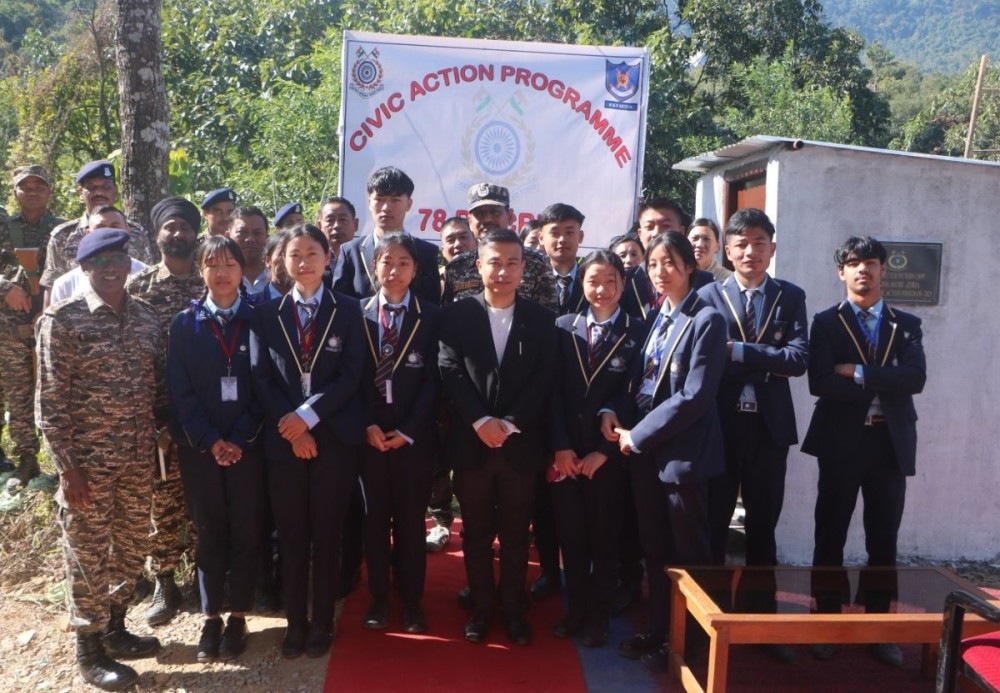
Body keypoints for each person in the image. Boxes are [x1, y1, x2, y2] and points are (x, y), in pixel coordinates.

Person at [35, 228, 163, 691]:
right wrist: (67, 468)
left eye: (119, 260)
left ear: (130, 266)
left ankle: (115, 626)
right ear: (84, 269)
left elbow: (158, 389)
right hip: (86, 468)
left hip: (135, 461)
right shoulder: (63, 321)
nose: (111, 268)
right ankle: (88, 647)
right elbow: (49, 404)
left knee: (129, 546)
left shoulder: (147, 318)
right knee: (88, 554)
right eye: (100, 261)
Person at [802, 235, 926, 667]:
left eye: (871, 263)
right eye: (854, 263)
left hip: (889, 442)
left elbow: (915, 379)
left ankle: (878, 626)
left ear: (882, 270)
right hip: (841, 442)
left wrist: (856, 371)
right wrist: (881, 378)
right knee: (830, 532)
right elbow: (819, 382)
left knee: (883, 537)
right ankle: (826, 622)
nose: (863, 270)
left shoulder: (905, 324)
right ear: (842, 272)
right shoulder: (825, 322)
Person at [605, 231, 727, 673]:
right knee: (655, 550)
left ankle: (692, 645)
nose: (661, 272)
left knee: (689, 556)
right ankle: (660, 630)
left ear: (690, 267)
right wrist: (611, 412)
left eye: (670, 263)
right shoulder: (657, 315)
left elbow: (694, 397)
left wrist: (638, 435)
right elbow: (639, 382)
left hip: (681, 458)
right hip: (645, 455)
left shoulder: (706, 319)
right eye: (654, 264)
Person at [250, 224, 365, 659]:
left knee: (327, 534)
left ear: (328, 258)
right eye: (294, 254)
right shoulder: (266, 313)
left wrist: (308, 417)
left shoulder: (350, 310)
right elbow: (261, 377)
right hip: (284, 443)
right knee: (293, 536)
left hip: (333, 439)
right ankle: (294, 624)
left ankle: (322, 624)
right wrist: (292, 426)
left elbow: (351, 375)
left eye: (312, 254)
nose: (304, 262)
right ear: (282, 261)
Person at [698, 208, 808, 663]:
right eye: (741, 243)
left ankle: (762, 624)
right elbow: (705, 360)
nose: (750, 251)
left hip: (769, 427)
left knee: (763, 528)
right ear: (728, 250)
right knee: (714, 527)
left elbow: (798, 359)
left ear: (772, 248)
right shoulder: (707, 295)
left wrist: (740, 350)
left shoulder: (790, 295)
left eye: (759, 243)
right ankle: (711, 623)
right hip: (719, 427)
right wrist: (768, 359)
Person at [439, 228, 556, 646]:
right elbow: (449, 369)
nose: (503, 271)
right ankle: (483, 607)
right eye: (495, 261)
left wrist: (506, 422)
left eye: (512, 263)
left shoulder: (541, 319)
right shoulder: (457, 314)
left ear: (524, 267)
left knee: (514, 535)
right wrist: (479, 421)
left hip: (519, 447)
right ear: (479, 265)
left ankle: (512, 607)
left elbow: (544, 378)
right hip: (471, 446)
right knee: (474, 532)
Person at [168, 235, 264, 662]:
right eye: (212, 264)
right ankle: (210, 617)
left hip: (248, 446)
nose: (221, 273)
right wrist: (211, 441)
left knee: (246, 530)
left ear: (242, 269)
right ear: (200, 270)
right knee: (209, 532)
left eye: (230, 264)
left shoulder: (261, 319)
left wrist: (239, 439)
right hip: (201, 448)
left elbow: (267, 387)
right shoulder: (183, 324)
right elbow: (180, 392)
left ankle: (239, 615)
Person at [549, 250, 644, 648]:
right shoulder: (562, 327)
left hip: (609, 455)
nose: (601, 290)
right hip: (567, 456)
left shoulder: (641, 331)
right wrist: (561, 448)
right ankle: (576, 610)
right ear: (581, 284)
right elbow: (550, 393)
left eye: (610, 281)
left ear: (623, 284)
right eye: (593, 281)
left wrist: (604, 452)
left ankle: (599, 616)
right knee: (571, 538)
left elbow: (639, 394)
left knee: (605, 540)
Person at [125, 196, 206, 627]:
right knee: (164, 500)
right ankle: (165, 581)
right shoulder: (138, 289)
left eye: (184, 227)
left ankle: (207, 576)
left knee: (207, 497)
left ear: (197, 234)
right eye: (169, 227)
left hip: (208, 416)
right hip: (158, 418)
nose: (178, 234)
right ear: (157, 234)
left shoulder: (211, 281)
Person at [359, 233, 441, 634]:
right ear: (375, 266)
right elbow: (351, 378)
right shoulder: (356, 314)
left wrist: (408, 430)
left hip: (414, 439)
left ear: (415, 269)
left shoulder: (432, 315)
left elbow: (434, 381)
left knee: (410, 523)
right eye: (387, 262)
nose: (394, 270)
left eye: (404, 262)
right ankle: (377, 599)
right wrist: (366, 425)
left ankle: (412, 601)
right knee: (374, 523)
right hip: (369, 437)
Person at [0, 165, 64, 485]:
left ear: (50, 191)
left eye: (40, 185)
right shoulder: (3, 227)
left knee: (58, 393)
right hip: (11, 328)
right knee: (19, 392)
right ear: (15, 192)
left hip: (56, 324)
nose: (34, 191)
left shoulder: (64, 230)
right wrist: (5, 287)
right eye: (26, 186)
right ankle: (27, 459)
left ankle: (65, 461)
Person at [40, 160, 156, 307]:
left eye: (106, 187)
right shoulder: (63, 236)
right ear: (81, 193)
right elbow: (52, 287)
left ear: (115, 191)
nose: (99, 192)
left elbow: (147, 280)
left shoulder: (137, 234)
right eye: (91, 187)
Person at [425, 216, 476, 553]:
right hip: (443, 385)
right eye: (450, 240)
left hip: (478, 386)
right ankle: (441, 521)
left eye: (462, 238)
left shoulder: (485, 279)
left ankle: (476, 524)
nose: (456, 244)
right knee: (438, 459)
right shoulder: (436, 281)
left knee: (473, 464)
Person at [334, 167, 440, 303]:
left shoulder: (426, 252)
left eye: (395, 200)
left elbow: (432, 306)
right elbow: (340, 306)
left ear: (409, 204)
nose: (386, 208)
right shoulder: (350, 251)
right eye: (379, 199)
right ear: (369, 203)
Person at [442, 183, 556, 309]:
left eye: (495, 212)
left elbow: (548, 317)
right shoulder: (457, 266)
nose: (487, 219)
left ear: (510, 216)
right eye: (480, 214)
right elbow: (449, 317)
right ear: (470, 221)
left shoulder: (536, 262)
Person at [49, 206, 147, 303]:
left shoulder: (146, 276)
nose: (108, 233)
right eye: (100, 228)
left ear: (128, 231)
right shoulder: (65, 285)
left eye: (115, 227)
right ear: (88, 233)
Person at [539, 203, 587, 316]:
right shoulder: (531, 280)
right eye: (555, 233)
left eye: (569, 232)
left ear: (580, 236)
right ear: (541, 238)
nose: (562, 239)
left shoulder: (592, 279)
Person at [228, 206, 270, 295]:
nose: (250, 239)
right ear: (228, 236)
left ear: (267, 238)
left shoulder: (280, 277)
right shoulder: (220, 278)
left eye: (257, 233)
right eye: (242, 232)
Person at [317, 196, 359, 279]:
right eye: (330, 220)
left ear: (356, 224)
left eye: (343, 219)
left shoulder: (365, 258)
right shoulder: (313, 259)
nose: (337, 226)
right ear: (319, 226)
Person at [689, 218, 732, 282]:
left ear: (717, 246)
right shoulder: (676, 274)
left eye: (706, 239)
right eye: (695, 238)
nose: (699, 244)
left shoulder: (727, 279)